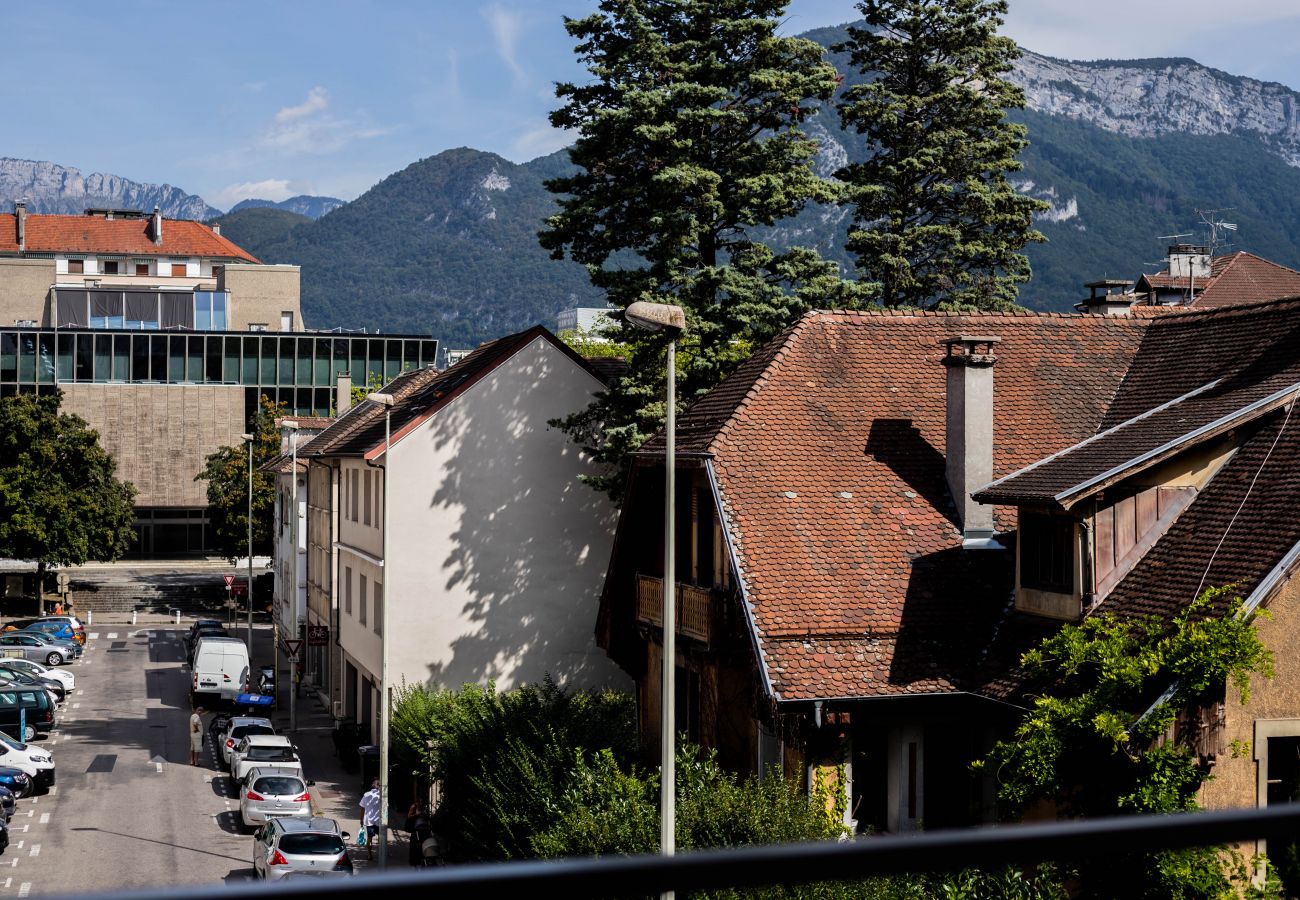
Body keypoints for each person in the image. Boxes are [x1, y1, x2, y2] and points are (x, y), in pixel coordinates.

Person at [405, 800, 434, 868]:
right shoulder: (414, 806)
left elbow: (427, 818)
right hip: (416, 829)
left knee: (426, 843)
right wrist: (416, 815)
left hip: (424, 828)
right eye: (420, 801)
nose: (421, 802)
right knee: (416, 844)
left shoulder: (425, 807)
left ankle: (426, 858)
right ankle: (415, 861)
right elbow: (409, 816)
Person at [359, 779, 382, 861]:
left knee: (370, 838)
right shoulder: (382, 795)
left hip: (369, 821)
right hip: (379, 821)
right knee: (382, 837)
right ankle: (382, 853)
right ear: (379, 786)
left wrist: (361, 820)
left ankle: (369, 854)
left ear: (372, 786)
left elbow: (362, 808)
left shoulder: (366, 795)